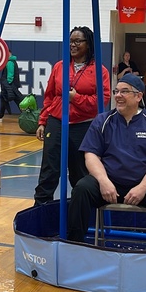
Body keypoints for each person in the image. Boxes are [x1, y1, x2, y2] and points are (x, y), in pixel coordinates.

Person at [67, 73, 146, 250]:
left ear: (138, 96)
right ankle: (74, 246)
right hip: (109, 183)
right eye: (116, 91)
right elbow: (91, 155)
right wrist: (103, 181)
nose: (118, 95)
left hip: (142, 184)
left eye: (124, 91)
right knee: (81, 190)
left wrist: (142, 188)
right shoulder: (102, 121)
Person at [34, 26, 110, 205]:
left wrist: (76, 98)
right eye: (70, 41)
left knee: (80, 173)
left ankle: (80, 211)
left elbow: (102, 101)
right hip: (57, 122)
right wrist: (43, 121)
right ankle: (41, 209)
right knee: (49, 170)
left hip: (83, 126)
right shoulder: (60, 66)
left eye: (78, 41)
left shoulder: (99, 70)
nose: (73, 45)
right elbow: (50, 96)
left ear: (88, 44)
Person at [0, 54, 23, 122]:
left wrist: (8, 87)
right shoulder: (11, 61)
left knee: (20, 102)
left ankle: (29, 117)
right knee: (3, 100)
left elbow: (10, 76)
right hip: (10, 87)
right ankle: (0, 117)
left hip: (11, 88)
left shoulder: (10, 62)